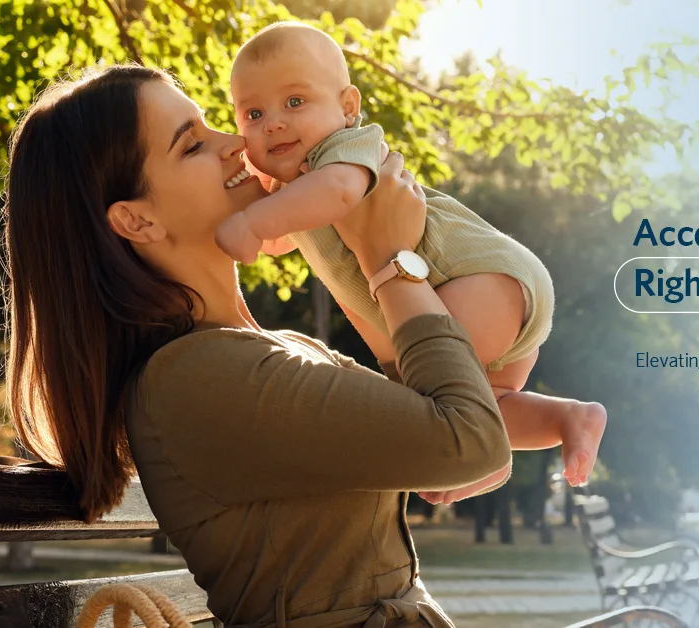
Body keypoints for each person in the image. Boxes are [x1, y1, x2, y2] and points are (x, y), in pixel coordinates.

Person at [0, 63, 511, 627]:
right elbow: (471, 441)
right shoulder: (193, 377)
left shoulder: (259, 351)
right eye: (192, 145)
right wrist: (390, 262)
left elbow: (453, 426)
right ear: (136, 220)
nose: (236, 143)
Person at [214, 22, 607, 500]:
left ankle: (470, 461)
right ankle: (566, 419)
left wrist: (253, 222)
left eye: (294, 102)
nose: (273, 122)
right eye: (253, 113)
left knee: (427, 401)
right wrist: (251, 224)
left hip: (470, 279)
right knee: (485, 406)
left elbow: (336, 193)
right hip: (489, 304)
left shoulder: (341, 154)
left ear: (348, 107)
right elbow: (285, 237)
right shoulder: (296, 196)